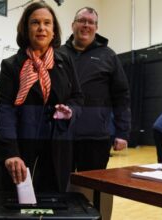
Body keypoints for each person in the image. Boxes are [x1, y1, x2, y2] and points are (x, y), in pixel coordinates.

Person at [0, 1, 83, 193]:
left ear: (53, 30)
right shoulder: (11, 66)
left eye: (47, 23)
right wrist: (11, 152)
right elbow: (4, 109)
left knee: (52, 205)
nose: (41, 28)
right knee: (16, 207)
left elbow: (77, 97)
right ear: (26, 29)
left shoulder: (65, 61)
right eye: (35, 22)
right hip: (19, 147)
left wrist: (70, 112)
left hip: (56, 149)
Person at [60, 6, 131, 213]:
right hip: (62, 136)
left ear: (96, 27)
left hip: (96, 138)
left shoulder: (108, 55)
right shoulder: (58, 53)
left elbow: (122, 96)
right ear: (73, 25)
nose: (86, 25)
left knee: (94, 190)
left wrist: (122, 132)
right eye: (82, 21)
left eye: (91, 22)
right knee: (60, 186)